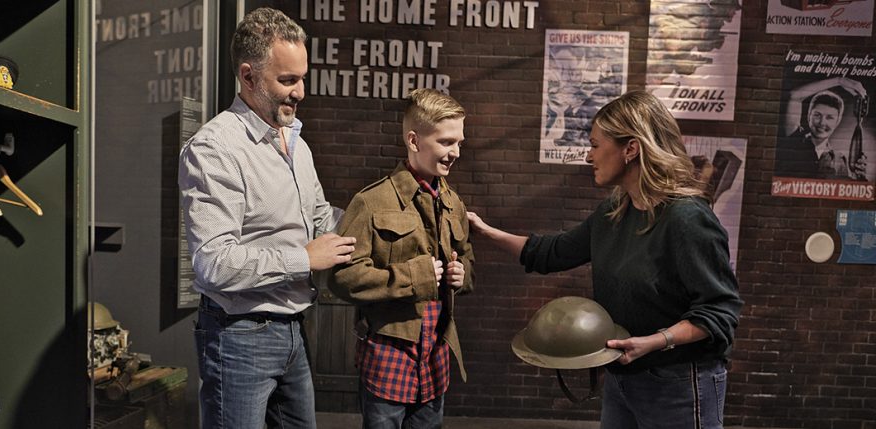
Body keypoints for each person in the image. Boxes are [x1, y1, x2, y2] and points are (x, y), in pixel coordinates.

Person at [468, 90, 743, 429]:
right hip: (623, 378)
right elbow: (550, 253)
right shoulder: (614, 213)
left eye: (596, 145)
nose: (588, 156)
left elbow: (720, 312)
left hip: (678, 384)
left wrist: (654, 342)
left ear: (631, 148)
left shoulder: (687, 219)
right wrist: (485, 232)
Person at [178, 7, 356, 429]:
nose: (301, 92)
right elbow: (213, 263)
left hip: (294, 330)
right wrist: (303, 259)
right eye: (288, 80)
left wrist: (379, 222)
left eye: (302, 78)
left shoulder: (298, 144)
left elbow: (320, 219)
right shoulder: (213, 150)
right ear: (248, 76)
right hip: (238, 337)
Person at [321, 88, 474, 428]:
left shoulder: (454, 204)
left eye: (459, 143)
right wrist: (411, 278)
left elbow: (467, 261)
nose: (455, 153)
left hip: (436, 358)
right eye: (447, 142)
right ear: (414, 140)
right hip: (389, 359)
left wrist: (462, 276)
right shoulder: (371, 202)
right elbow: (342, 278)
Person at [775, 77, 868, 180]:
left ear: (837, 122)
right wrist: (839, 81)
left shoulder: (840, 160)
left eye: (829, 117)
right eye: (817, 115)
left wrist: (859, 178)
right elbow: (794, 96)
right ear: (808, 116)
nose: (822, 122)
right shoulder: (793, 137)